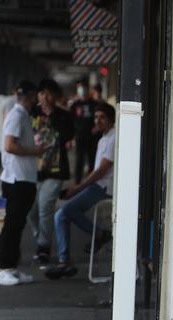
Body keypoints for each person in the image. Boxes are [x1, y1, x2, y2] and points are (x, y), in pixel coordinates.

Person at [46, 103, 116, 279]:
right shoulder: (104, 139)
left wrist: (77, 189)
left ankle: (65, 261)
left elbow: (101, 171)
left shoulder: (114, 139)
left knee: (62, 214)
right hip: (98, 186)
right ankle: (99, 235)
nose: (98, 120)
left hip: (104, 188)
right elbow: (96, 169)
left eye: (102, 117)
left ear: (111, 119)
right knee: (65, 213)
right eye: (96, 117)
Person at [0, 80, 47, 286]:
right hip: (16, 179)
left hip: (23, 177)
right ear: (32, 96)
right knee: (12, 225)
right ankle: (4, 268)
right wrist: (35, 151)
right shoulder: (16, 115)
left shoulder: (21, 115)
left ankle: (12, 268)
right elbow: (9, 145)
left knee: (17, 225)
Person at [29, 79, 75, 264]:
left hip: (55, 170)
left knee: (45, 207)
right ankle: (41, 236)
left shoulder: (64, 116)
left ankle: (43, 247)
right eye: (42, 93)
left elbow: (68, 135)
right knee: (31, 210)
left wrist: (52, 119)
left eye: (49, 94)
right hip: (32, 169)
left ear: (56, 96)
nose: (45, 98)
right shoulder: (30, 113)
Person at [70, 79, 100, 183]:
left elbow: (100, 117)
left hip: (92, 136)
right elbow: (71, 120)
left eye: (83, 87)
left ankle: (90, 182)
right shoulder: (74, 105)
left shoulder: (94, 104)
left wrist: (97, 128)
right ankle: (77, 182)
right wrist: (71, 137)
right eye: (79, 88)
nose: (82, 90)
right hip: (79, 136)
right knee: (79, 159)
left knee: (91, 159)